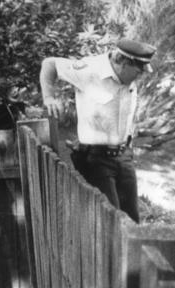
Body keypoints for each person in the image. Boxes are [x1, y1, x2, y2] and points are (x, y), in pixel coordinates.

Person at [39, 38, 156, 223]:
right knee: (111, 220)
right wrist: (49, 97)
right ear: (123, 63)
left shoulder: (127, 76)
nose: (141, 75)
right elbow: (50, 64)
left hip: (124, 155)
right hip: (96, 159)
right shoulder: (90, 70)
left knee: (132, 218)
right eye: (138, 70)